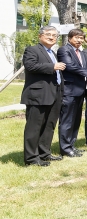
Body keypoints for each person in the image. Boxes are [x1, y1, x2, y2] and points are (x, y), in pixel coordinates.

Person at [21, 26, 65, 167]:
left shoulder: (52, 52)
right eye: (48, 34)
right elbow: (30, 66)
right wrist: (52, 67)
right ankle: (32, 158)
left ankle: (44, 153)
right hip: (38, 94)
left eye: (54, 35)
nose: (52, 37)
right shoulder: (32, 50)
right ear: (40, 36)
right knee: (34, 127)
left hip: (54, 93)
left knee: (49, 125)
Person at [57, 28, 87, 157]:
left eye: (81, 38)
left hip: (80, 91)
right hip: (69, 90)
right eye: (77, 37)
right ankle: (65, 148)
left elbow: (84, 68)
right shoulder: (64, 50)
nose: (79, 40)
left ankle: (71, 146)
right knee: (67, 120)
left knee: (76, 120)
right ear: (70, 38)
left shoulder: (82, 53)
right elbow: (69, 66)